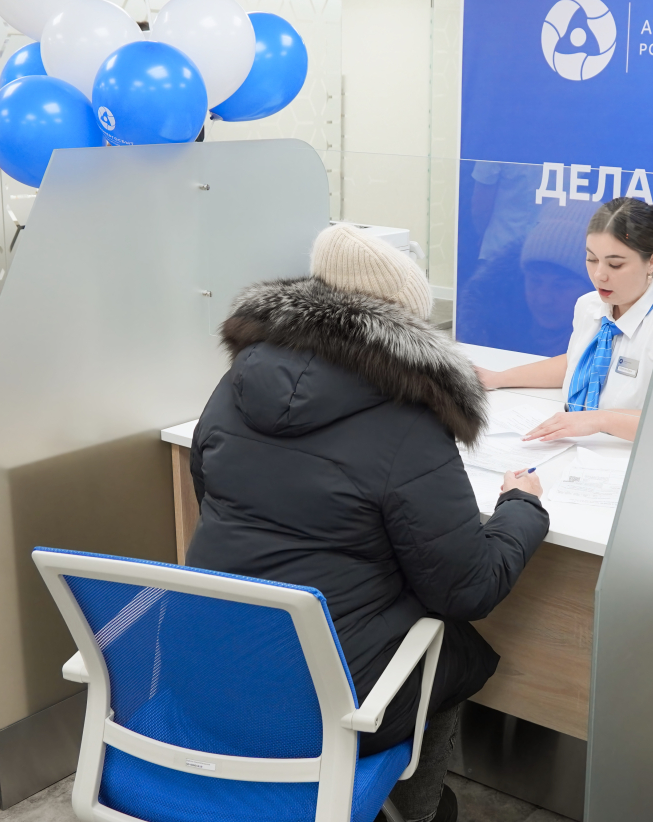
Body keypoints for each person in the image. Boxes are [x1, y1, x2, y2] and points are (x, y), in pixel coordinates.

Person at [184, 224, 550, 822]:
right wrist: (521, 507)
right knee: (449, 647)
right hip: (318, 707)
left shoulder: (236, 381)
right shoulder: (408, 420)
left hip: (206, 670)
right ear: (404, 329)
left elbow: (209, 492)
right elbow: (468, 588)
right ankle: (419, 810)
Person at [474, 196, 653, 442]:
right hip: (575, 448)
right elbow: (576, 362)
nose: (599, 275)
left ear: (652, 261)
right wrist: (499, 378)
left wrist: (599, 420)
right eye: (592, 259)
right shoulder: (589, 305)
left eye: (615, 264)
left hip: (629, 456)